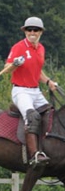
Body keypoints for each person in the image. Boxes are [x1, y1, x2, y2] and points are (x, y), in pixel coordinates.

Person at [5, 16, 57, 167]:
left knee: (51, 115)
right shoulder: (18, 47)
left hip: (36, 91)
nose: (32, 32)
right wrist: (15, 64)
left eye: (36, 30)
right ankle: (34, 155)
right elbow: (6, 69)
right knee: (32, 117)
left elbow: (37, 71)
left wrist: (48, 82)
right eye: (29, 29)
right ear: (25, 31)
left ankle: (50, 148)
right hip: (21, 91)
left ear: (41, 32)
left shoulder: (41, 48)